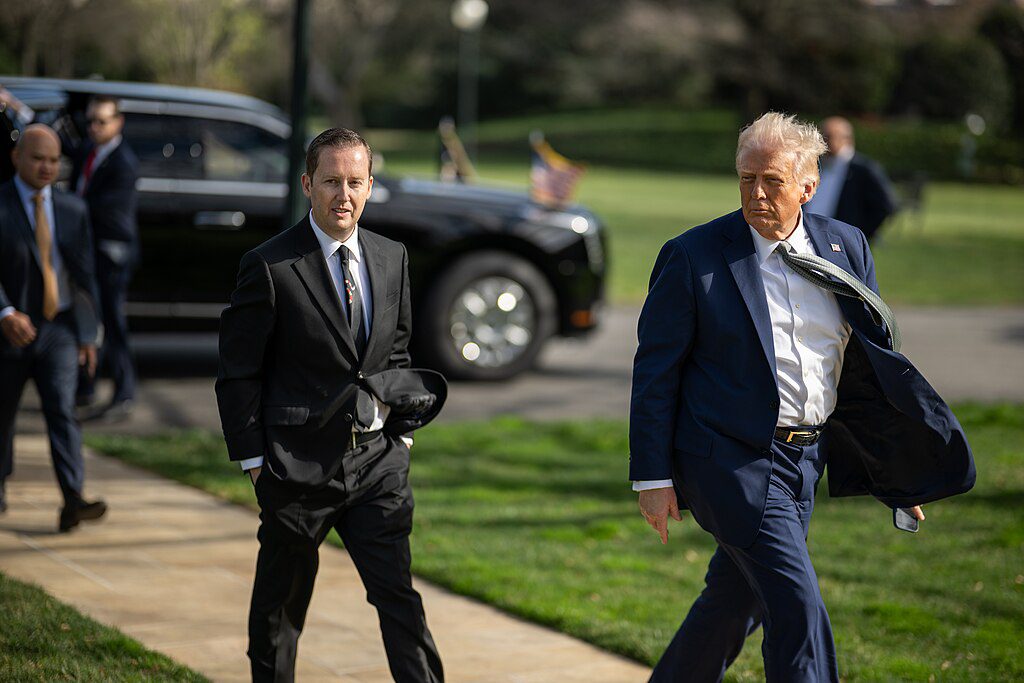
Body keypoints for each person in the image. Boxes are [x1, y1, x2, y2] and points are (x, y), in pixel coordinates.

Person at [629, 112, 975, 682]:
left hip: (804, 461)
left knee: (734, 602)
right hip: (728, 460)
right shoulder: (694, 256)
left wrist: (894, 473)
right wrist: (652, 476)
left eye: (772, 181)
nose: (756, 194)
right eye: (746, 179)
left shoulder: (847, 247)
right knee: (797, 605)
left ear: (808, 187)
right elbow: (655, 372)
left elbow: (865, 371)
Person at [216, 127, 446, 683]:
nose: (344, 195)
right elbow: (238, 371)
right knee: (280, 613)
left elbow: (394, 349)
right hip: (294, 469)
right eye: (332, 182)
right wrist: (254, 464)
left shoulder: (392, 257)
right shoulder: (270, 266)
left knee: (399, 602)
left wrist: (401, 437)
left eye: (356, 182)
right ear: (307, 185)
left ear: (370, 186)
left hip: (377, 466)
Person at [0, 124, 107, 531]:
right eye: (37, 158)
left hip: (57, 328)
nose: (47, 167)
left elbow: (84, 278)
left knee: (63, 410)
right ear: (16, 158)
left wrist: (87, 335)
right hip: (8, 329)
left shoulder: (72, 209)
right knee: (3, 415)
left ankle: (73, 498)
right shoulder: (2, 204)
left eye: (53, 160)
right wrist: (5, 313)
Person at [71, 96, 140, 421]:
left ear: (118, 122)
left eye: (101, 121)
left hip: (112, 254)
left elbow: (108, 212)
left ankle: (124, 393)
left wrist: (70, 209)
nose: (94, 128)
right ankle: (85, 387)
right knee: (87, 319)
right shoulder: (88, 150)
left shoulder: (124, 162)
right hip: (88, 251)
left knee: (113, 323)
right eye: (91, 122)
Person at [804, 116, 896, 242]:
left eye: (828, 137)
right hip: (809, 235)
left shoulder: (864, 169)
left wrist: (859, 235)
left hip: (842, 241)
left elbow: (886, 205)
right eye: (821, 136)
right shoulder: (817, 164)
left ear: (846, 139)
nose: (823, 142)